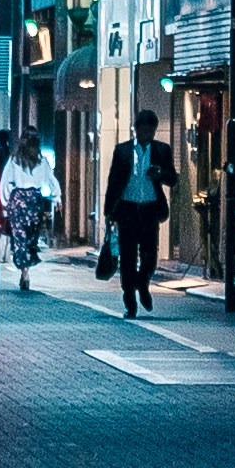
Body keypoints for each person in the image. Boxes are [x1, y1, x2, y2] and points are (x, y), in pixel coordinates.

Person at [95, 97, 178, 315]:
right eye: (143, 130)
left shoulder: (161, 150)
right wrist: (108, 212)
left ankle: (143, 283)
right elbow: (113, 182)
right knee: (128, 256)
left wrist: (160, 174)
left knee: (150, 255)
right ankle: (129, 300)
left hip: (150, 209)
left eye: (151, 131)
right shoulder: (122, 151)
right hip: (127, 210)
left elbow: (173, 178)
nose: (147, 135)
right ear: (136, 129)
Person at [0, 125, 60, 294]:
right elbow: (51, 180)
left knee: (20, 239)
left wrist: (5, 205)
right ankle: (27, 271)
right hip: (34, 202)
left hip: (18, 201)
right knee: (31, 237)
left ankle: (24, 271)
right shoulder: (42, 161)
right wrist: (56, 198)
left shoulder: (14, 159)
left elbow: (4, 183)